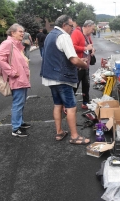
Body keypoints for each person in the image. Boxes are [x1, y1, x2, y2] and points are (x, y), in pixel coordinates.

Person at [40, 15, 90, 145]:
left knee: (57, 105)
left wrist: (79, 61)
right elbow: (73, 59)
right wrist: (84, 64)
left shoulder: (50, 35)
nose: (72, 29)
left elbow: (57, 56)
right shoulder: (63, 36)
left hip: (50, 78)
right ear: (64, 25)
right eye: (71, 26)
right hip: (63, 78)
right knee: (71, 107)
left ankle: (59, 132)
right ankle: (74, 136)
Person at [0, 23, 31, 137]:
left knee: (21, 102)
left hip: (21, 79)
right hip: (16, 79)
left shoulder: (16, 44)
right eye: (20, 31)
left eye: (23, 31)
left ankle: (19, 123)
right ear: (12, 33)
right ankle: (16, 128)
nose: (23, 33)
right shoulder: (8, 43)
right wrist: (11, 71)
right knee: (18, 103)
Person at [71, 20, 95, 110]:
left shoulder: (88, 36)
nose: (93, 31)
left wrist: (92, 49)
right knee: (74, 86)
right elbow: (72, 47)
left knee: (86, 85)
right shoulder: (76, 33)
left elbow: (90, 45)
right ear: (88, 26)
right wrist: (85, 48)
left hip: (86, 65)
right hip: (78, 65)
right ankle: (68, 105)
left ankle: (85, 102)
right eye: (92, 28)